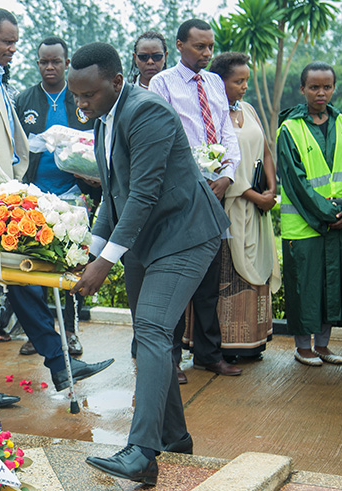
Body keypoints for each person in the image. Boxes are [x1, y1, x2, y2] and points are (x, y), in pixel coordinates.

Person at [68, 42, 229, 486]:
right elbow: (114, 195)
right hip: (147, 241)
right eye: (75, 96)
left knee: (155, 331)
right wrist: (91, 249)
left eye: (89, 95)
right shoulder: (105, 119)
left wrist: (105, 262)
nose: (81, 104)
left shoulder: (148, 111)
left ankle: (142, 452)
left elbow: (143, 193)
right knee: (151, 337)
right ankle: (175, 438)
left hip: (186, 235)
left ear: (117, 82)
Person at [0, 8, 114, 405]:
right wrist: (5, 196)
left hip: (8, 187)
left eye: (15, 43)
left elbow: (10, 138)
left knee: (19, 280)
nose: (12, 49)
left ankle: (52, 366)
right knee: (9, 283)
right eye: (6, 42)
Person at [149, 19, 242, 382]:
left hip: (215, 191)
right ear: (180, 45)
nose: (206, 53)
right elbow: (162, 135)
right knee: (174, 276)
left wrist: (227, 174)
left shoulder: (216, 83)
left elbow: (226, 131)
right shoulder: (162, 83)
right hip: (182, 192)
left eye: (210, 47)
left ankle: (208, 354)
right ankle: (170, 358)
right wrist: (194, 177)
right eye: (199, 47)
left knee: (208, 278)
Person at [277, 61, 342, 366]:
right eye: (314, 86)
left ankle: (324, 346)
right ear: (302, 89)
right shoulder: (290, 129)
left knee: (332, 285)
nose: (321, 92)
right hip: (305, 224)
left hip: (340, 223)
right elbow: (296, 182)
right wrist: (330, 214)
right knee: (305, 287)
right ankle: (303, 348)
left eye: (327, 86)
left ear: (334, 88)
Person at [14, 35, 97, 357]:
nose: (50, 67)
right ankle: (39, 333)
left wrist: (90, 181)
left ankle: (72, 332)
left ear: (66, 63)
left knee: (70, 265)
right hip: (35, 197)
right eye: (44, 62)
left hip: (74, 196)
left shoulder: (79, 98)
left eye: (56, 61)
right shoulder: (25, 100)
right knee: (32, 266)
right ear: (37, 64)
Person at [208, 52, 281, 361]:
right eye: (238, 81)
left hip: (257, 207)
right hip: (232, 206)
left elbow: (264, 149)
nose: (244, 87)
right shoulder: (213, 114)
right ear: (220, 83)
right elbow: (224, 164)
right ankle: (226, 345)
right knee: (229, 274)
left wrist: (272, 187)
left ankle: (252, 341)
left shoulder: (247, 109)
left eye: (246, 81)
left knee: (256, 274)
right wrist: (254, 195)